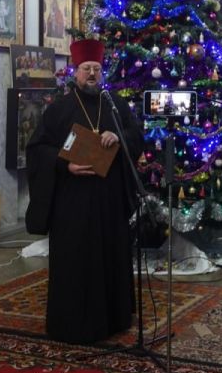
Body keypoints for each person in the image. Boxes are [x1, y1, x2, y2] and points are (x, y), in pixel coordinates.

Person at [26, 38, 143, 344]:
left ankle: (115, 319)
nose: (91, 74)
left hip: (109, 201)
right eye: (86, 68)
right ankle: (72, 323)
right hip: (72, 203)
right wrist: (66, 166)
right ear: (75, 73)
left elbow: (136, 136)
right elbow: (37, 150)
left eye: (96, 68)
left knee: (110, 257)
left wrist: (117, 136)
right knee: (76, 261)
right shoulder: (59, 109)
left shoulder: (116, 106)